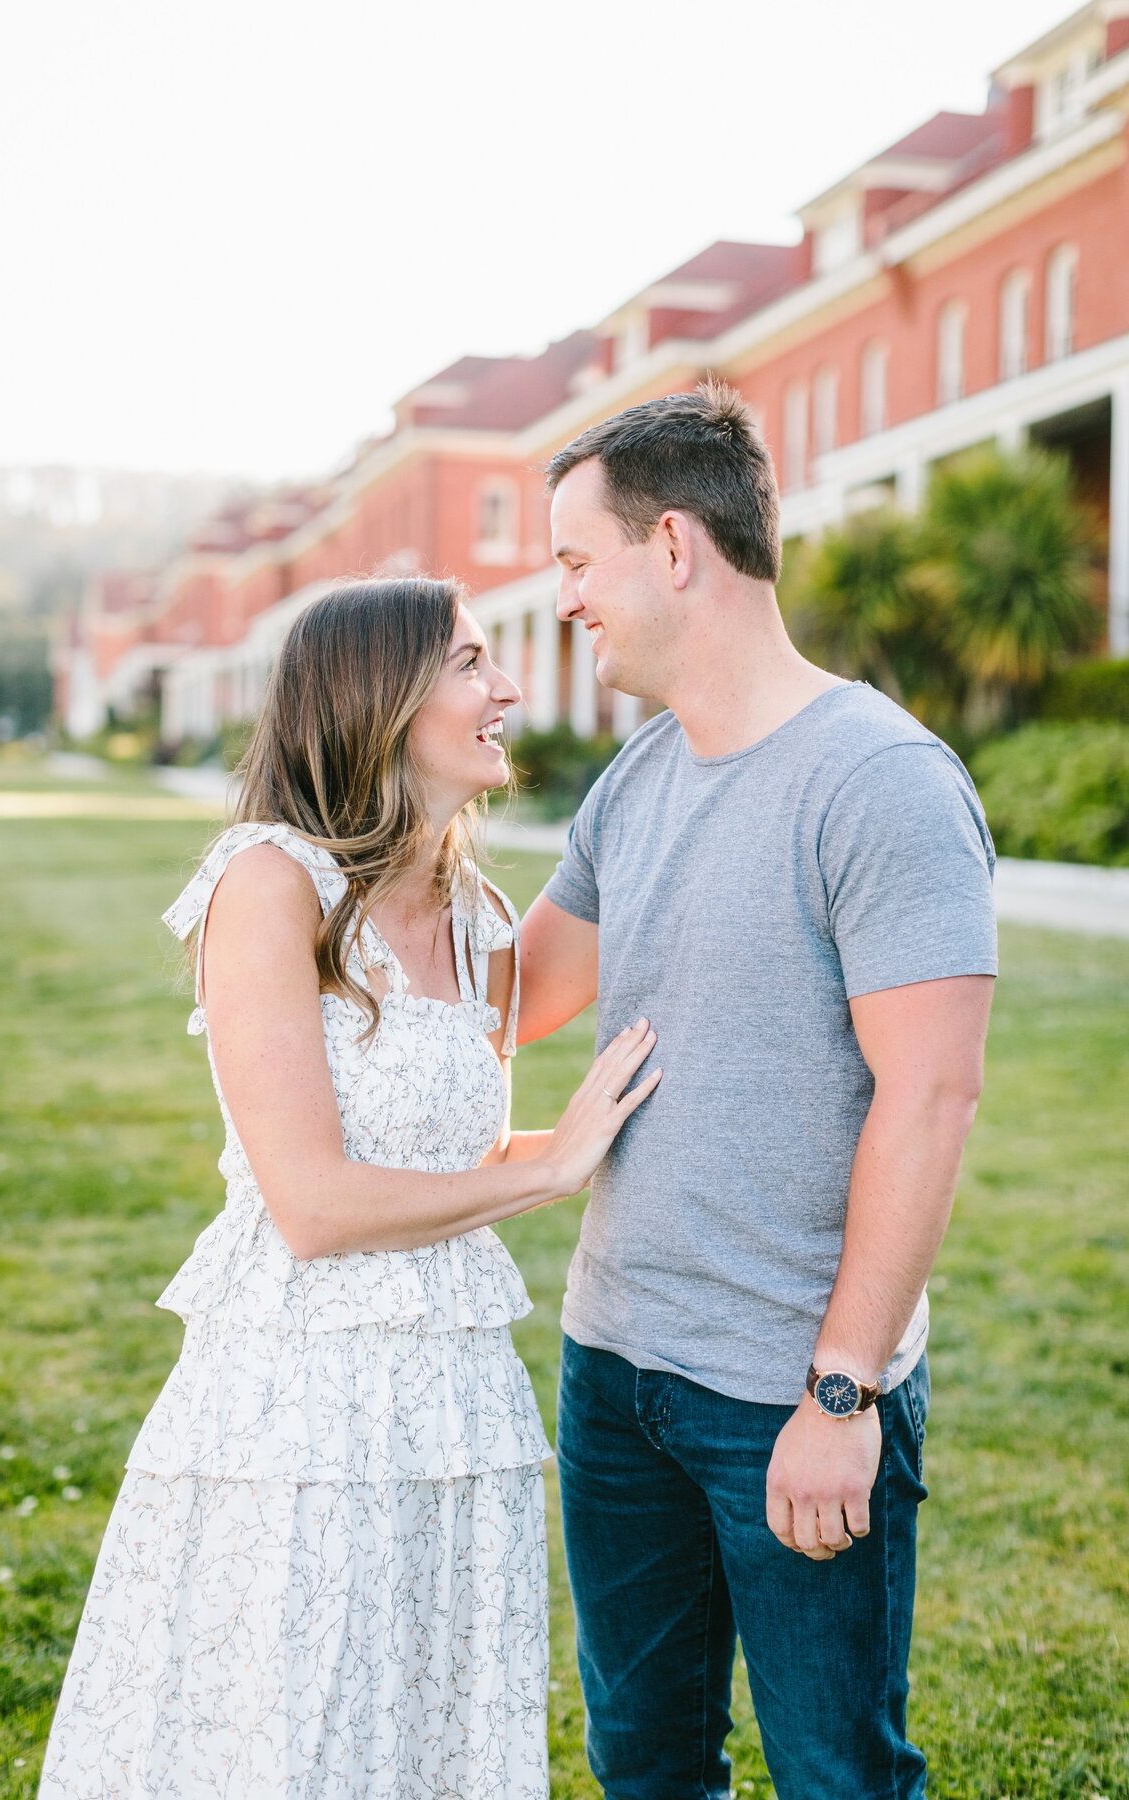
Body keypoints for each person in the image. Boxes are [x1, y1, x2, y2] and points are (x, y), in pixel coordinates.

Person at [37, 577, 660, 1800]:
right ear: (382, 698)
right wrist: (548, 1167)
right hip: (298, 1396)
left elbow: (438, 1163)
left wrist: (575, 1142)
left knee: (431, 1723)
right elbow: (314, 1204)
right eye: (473, 663)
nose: (508, 690)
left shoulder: (480, 917)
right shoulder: (268, 886)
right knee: (293, 1727)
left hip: (456, 1395)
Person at [517, 384, 998, 1800]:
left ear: (674, 548)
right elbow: (512, 998)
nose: (565, 601)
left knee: (838, 1773)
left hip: (791, 1389)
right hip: (616, 1371)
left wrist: (841, 1396)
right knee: (647, 1762)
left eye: (575, 561)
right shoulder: (641, 771)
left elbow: (931, 1101)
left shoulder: (883, 781)